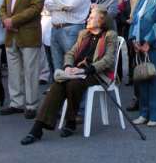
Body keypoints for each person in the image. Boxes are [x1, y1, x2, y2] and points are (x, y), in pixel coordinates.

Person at [20, 7, 117, 145]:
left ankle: (71, 121)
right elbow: (71, 53)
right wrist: (68, 67)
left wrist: (85, 71)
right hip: (77, 71)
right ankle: (37, 129)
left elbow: (108, 60)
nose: (88, 18)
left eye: (92, 16)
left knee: (73, 84)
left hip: (96, 73)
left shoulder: (109, 35)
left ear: (102, 21)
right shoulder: (84, 33)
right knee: (58, 84)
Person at [0, 0, 46, 119]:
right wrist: (5, 19)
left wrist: (13, 20)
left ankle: (32, 105)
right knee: (13, 71)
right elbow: (3, 7)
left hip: (28, 34)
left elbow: (36, 8)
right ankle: (16, 103)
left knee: (30, 71)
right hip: (11, 35)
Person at [40, 0, 64, 84]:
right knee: (48, 57)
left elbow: (59, 7)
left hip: (56, 25)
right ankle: (52, 84)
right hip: (45, 25)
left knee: (57, 59)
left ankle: (58, 85)